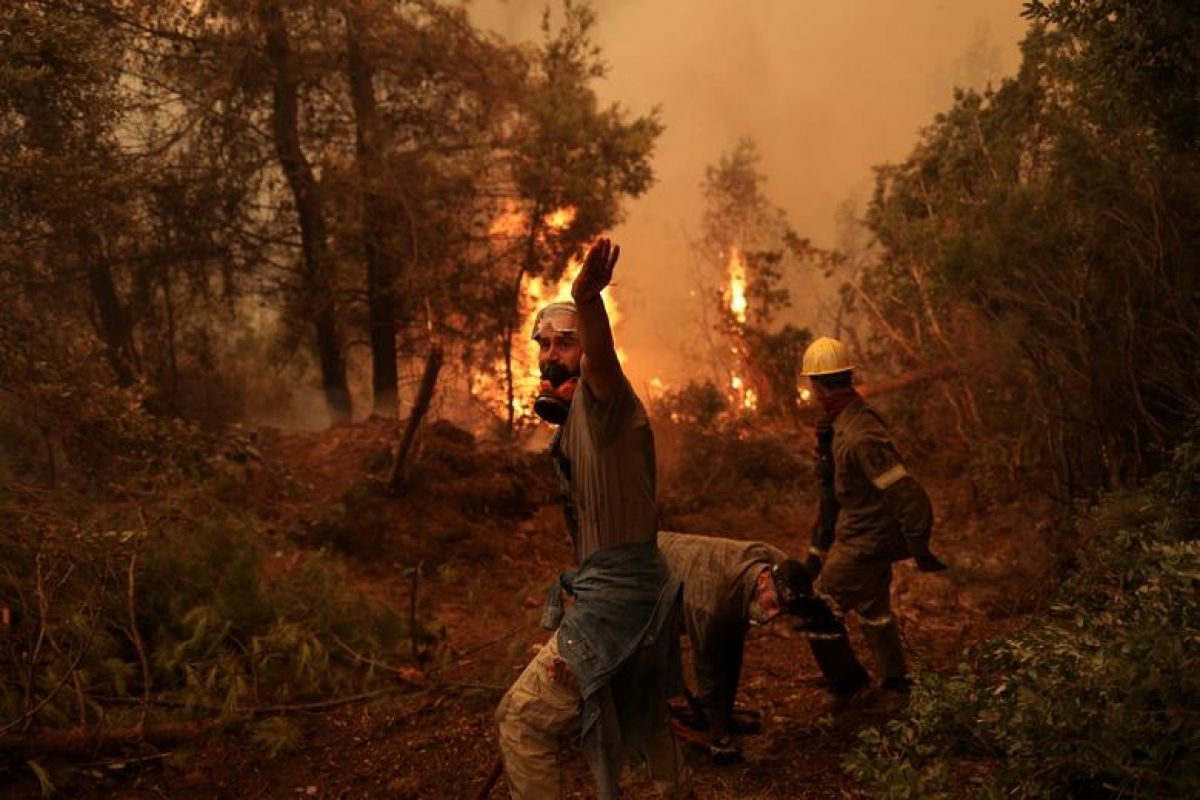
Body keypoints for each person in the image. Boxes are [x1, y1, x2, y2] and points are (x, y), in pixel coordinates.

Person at [494, 239, 690, 800]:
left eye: (567, 343)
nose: (552, 355)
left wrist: (588, 300)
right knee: (642, 716)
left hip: (621, 601)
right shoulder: (573, 423)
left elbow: (602, 363)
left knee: (522, 722)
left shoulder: (606, 403)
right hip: (626, 592)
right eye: (545, 345)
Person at [799, 336, 948, 701]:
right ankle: (896, 681)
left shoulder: (860, 434)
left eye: (813, 385)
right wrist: (816, 553)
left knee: (820, 611)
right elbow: (832, 496)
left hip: (865, 540)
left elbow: (904, 489)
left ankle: (851, 689)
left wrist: (919, 544)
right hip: (861, 534)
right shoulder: (842, 425)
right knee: (873, 607)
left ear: (818, 385)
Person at [656, 531, 839, 758]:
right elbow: (708, 667)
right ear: (763, 580)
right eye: (772, 604)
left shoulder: (775, 561)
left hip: (696, 563)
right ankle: (710, 729)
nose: (772, 615)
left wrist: (826, 608)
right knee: (706, 658)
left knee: (733, 648)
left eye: (781, 609)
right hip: (654, 569)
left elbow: (805, 589)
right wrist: (717, 732)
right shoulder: (712, 605)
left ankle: (720, 713)